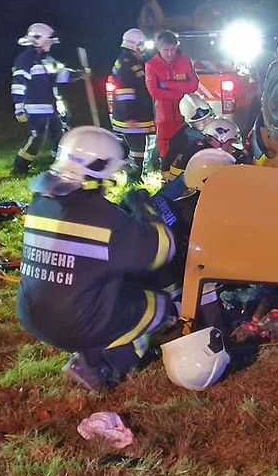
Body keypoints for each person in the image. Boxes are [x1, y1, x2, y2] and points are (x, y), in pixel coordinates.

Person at [17, 126, 178, 390]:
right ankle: (103, 368)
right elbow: (162, 250)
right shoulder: (105, 220)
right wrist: (146, 209)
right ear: (98, 173)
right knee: (158, 305)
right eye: (112, 174)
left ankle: (89, 348)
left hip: (33, 315)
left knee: (115, 291)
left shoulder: (40, 203)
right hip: (74, 323)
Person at [10, 22, 73, 176]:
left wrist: (79, 74)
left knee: (59, 136)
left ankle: (59, 164)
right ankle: (19, 167)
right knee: (37, 138)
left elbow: (60, 74)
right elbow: (18, 85)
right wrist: (19, 108)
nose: (50, 44)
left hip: (52, 108)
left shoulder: (47, 59)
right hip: (35, 110)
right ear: (38, 40)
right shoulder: (25, 60)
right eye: (47, 41)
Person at [145, 30, 200, 168]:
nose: (170, 53)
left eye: (172, 49)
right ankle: (165, 174)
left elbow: (194, 85)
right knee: (166, 151)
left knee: (186, 148)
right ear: (159, 48)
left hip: (185, 115)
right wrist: (181, 91)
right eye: (166, 50)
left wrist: (167, 85)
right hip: (164, 118)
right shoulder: (151, 65)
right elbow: (155, 92)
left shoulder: (185, 61)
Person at [109, 28, 155, 183]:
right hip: (131, 116)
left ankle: (135, 175)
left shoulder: (131, 60)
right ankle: (133, 179)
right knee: (137, 148)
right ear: (135, 45)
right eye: (142, 44)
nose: (144, 48)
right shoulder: (127, 62)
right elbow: (125, 93)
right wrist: (130, 117)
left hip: (135, 114)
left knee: (138, 146)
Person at [163, 93, 215, 175]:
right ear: (188, 122)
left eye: (207, 117)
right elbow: (170, 157)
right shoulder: (182, 138)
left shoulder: (214, 129)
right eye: (199, 120)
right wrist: (166, 171)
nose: (205, 122)